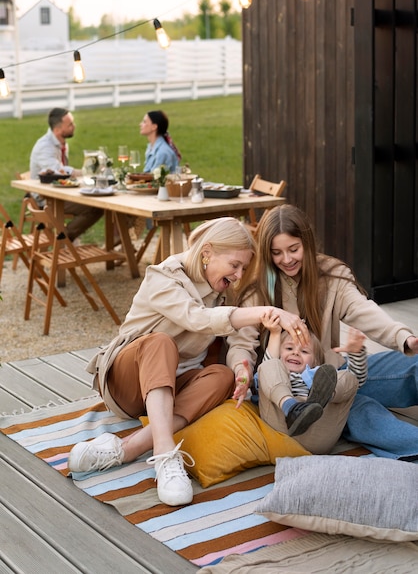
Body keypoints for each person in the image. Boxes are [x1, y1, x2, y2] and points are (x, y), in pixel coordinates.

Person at [68, 217, 294, 507]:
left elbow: (239, 340)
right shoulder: (163, 276)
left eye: (243, 268)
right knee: (162, 342)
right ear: (208, 252)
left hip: (175, 388)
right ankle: (165, 456)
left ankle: (127, 448)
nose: (239, 275)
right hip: (127, 384)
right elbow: (196, 318)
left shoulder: (226, 290)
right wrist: (265, 312)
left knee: (222, 375)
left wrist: (241, 368)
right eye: (234, 265)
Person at [226, 204, 418, 460]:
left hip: (335, 376)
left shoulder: (332, 275)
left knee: (411, 364)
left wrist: (404, 337)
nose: (287, 259)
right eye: (277, 253)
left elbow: (362, 310)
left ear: (307, 242)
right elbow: (241, 344)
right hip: (291, 391)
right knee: (362, 410)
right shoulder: (258, 288)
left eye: (294, 249)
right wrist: (242, 371)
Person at [254, 316, 367, 452]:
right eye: (289, 348)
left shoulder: (317, 373)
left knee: (347, 377)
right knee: (268, 367)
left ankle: (326, 394)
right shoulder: (275, 369)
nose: (295, 352)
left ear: (315, 361)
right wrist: (275, 332)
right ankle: (291, 407)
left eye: (304, 351)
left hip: (317, 431)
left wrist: (356, 354)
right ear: (279, 353)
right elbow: (270, 361)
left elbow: (355, 382)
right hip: (280, 430)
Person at [29, 108, 103, 241]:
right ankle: (64, 239)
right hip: (46, 198)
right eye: (70, 125)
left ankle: (65, 239)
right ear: (57, 130)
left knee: (96, 199)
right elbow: (60, 172)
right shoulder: (45, 147)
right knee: (95, 207)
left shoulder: (59, 142)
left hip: (58, 192)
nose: (74, 126)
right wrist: (87, 172)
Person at [140, 110, 180, 174]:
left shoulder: (162, 152)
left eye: (144, 122)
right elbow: (147, 173)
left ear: (154, 127)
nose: (140, 124)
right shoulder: (151, 147)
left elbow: (155, 180)